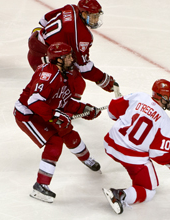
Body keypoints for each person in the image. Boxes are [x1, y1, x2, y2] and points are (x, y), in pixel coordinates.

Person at [14, 42, 103, 203]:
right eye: (68, 56)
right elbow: (34, 101)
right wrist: (54, 115)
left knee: (68, 131)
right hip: (28, 114)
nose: (72, 59)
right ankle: (40, 186)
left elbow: (64, 101)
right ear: (58, 60)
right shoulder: (47, 74)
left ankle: (87, 159)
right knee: (54, 142)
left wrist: (85, 110)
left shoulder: (66, 74)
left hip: (45, 111)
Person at [102, 79, 170, 215]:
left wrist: (128, 123)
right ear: (164, 97)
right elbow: (158, 153)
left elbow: (112, 110)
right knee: (149, 190)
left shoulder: (139, 97)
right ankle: (120, 195)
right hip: (131, 157)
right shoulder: (166, 123)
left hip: (111, 143)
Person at [27, 0, 119, 101]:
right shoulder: (83, 36)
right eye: (94, 17)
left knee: (68, 66)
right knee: (76, 82)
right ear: (84, 14)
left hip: (36, 46)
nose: (96, 20)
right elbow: (85, 69)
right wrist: (103, 79)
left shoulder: (70, 8)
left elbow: (44, 20)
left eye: (98, 16)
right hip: (42, 58)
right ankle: (64, 108)